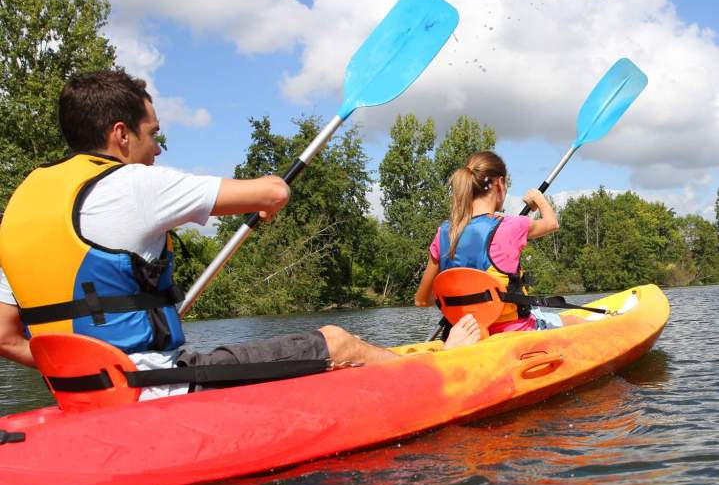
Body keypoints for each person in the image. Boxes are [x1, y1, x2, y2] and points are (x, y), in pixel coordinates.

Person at [0, 70, 480, 398]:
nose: (157, 149)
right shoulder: (132, 184)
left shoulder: (22, 205)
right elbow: (273, 191)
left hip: (81, 396)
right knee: (337, 342)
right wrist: (267, 200)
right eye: (153, 134)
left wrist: (89, 375)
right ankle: (443, 372)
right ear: (121, 134)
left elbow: (5, 336)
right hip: (154, 388)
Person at [414, 151, 560, 335]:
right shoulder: (512, 225)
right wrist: (538, 198)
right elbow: (552, 223)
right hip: (514, 333)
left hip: (466, 336)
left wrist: (462, 301)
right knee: (578, 321)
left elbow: (422, 300)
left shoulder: (444, 233)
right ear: (499, 183)